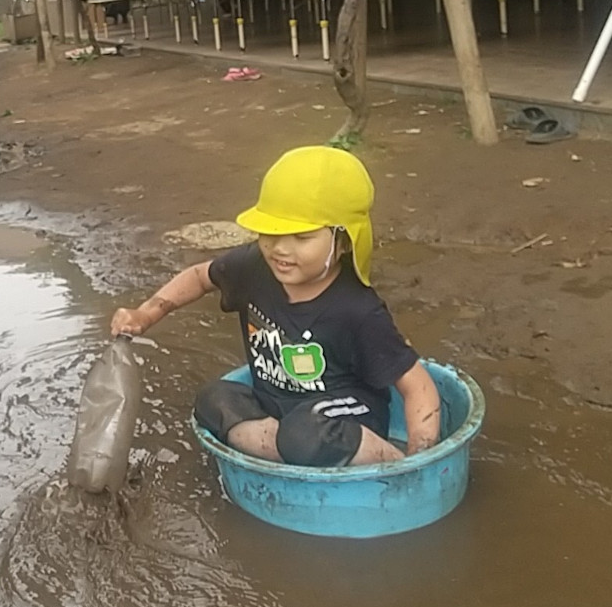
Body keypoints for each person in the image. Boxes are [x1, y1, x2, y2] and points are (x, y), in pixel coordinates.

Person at [111, 146, 441, 467]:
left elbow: (417, 386)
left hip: (338, 425)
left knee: (304, 434)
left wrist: (418, 460)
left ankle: (384, 460)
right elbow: (199, 277)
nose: (280, 249)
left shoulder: (357, 311)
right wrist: (146, 314)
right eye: (270, 233)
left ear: (343, 242)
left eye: (302, 237)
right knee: (212, 399)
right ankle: (286, 456)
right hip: (278, 417)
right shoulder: (254, 267)